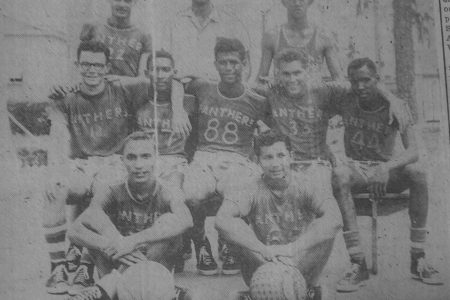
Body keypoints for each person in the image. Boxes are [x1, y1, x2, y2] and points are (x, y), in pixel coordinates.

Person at [43, 40, 151, 295]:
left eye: (98, 65)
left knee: (105, 191)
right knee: (54, 188)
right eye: (86, 64)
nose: (92, 70)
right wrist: (55, 172)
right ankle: (58, 267)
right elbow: (58, 134)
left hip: (113, 161)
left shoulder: (122, 89)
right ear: (77, 65)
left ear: (107, 67)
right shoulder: (66, 98)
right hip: (80, 163)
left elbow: (164, 81)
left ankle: (84, 265)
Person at [252, 49, 408, 223]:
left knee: (313, 201)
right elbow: (243, 91)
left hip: (316, 164)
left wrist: (392, 98)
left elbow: (362, 83)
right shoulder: (272, 93)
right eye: (286, 74)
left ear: (308, 71)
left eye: (297, 73)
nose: (292, 79)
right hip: (285, 165)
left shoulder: (324, 91)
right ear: (277, 75)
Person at [331, 57, 443, 292]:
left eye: (366, 80)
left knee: (418, 173)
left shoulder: (397, 105)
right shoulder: (345, 98)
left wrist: (386, 167)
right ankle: (357, 263)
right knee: (339, 174)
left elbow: (414, 150)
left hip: (386, 169)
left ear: (377, 80)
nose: (360, 86)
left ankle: (418, 258)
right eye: (355, 81)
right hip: (358, 170)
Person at [215, 131, 342, 300]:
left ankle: (304, 290)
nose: (275, 163)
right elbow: (222, 220)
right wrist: (262, 249)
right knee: (231, 228)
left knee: (325, 227)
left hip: (300, 260)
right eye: (268, 157)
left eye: (281, 155)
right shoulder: (250, 187)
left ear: (291, 156)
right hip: (263, 261)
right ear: (258, 160)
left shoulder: (308, 182)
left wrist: (291, 249)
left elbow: (335, 219)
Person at [67, 132, 194, 300]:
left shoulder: (167, 190)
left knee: (170, 221)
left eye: (145, 156)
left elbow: (186, 220)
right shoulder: (111, 190)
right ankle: (167, 291)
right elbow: (75, 230)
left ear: (156, 159)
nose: (139, 164)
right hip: (116, 260)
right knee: (95, 217)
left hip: (152, 268)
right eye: (132, 158)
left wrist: (133, 241)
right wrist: (114, 244)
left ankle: (109, 285)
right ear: (122, 161)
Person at [181, 37, 270, 275]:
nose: (229, 68)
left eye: (234, 62)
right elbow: (174, 80)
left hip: (238, 159)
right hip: (205, 157)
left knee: (236, 192)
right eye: (223, 63)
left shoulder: (257, 99)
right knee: (191, 194)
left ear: (244, 63)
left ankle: (228, 242)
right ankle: (201, 244)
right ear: (215, 64)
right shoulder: (203, 87)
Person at [256, 0, 343, 86]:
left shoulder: (324, 37)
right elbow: (260, 80)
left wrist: (323, 91)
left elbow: (339, 80)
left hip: (313, 98)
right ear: (284, 2)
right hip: (283, 98)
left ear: (309, 1)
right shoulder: (272, 37)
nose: (297, 3)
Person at [163, 0, 252, 81]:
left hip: (217, 92)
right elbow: (162, 63)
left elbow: (245, 67)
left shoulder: (232, 23)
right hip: (181, 92)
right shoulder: (173, 23)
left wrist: (232, 94)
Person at [80, 0, 151, 77]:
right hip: (96, 85)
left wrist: (122, 81)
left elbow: (142, 78)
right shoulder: (94, 28)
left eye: (127, 1)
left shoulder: (143, 35)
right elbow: (81, 64)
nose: (122, 5)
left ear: (134, 2)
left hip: (128, 87)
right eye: (117, 0)